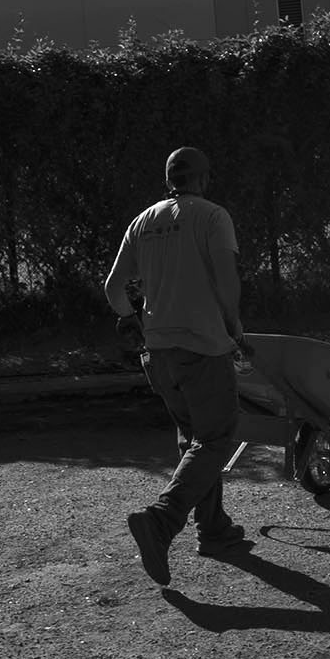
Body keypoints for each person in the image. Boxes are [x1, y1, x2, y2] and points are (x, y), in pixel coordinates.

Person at [106, 145, 252, 585]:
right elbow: (227, 281)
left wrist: (135, 320)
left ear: (169, 178)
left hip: (160, 352)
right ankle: (162, 520)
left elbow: (114, 289)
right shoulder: (212, 216)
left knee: (194, 439)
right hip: (203, 347)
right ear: (204, 179)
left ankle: (214, 529)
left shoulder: (142, 221)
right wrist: (235, 328)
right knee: (218, 437)